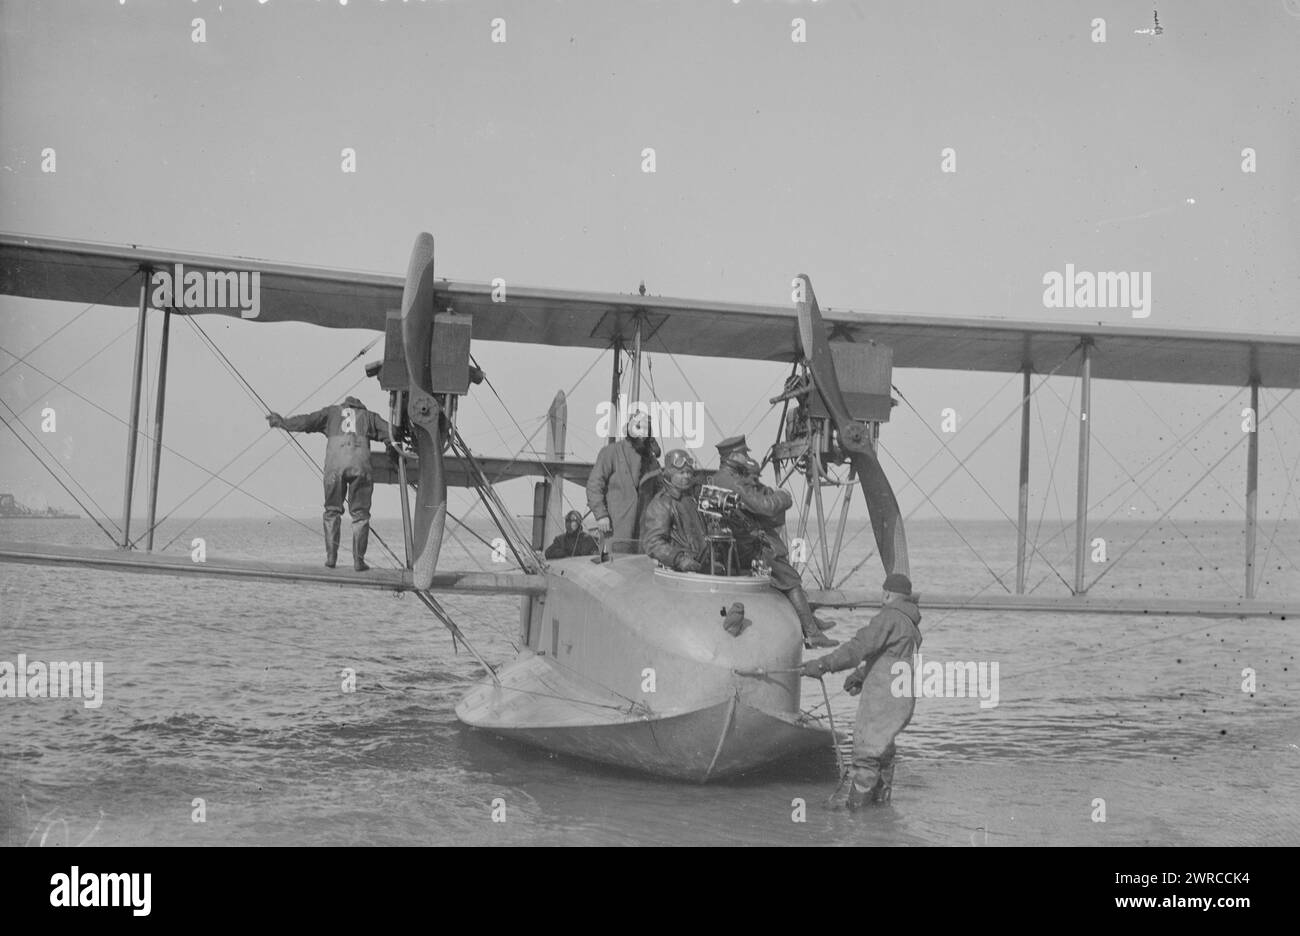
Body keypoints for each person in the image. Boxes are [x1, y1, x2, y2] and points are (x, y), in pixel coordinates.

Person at [800, 573, 922, 808]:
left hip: (882, 700)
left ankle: (858, 819)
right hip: (901, 699)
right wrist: (860, 676)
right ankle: (880, 821)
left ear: (886, 593)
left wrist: (823, 664)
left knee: (865, 755)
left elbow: (859, 648)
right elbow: (891, 658)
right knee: (883, 755)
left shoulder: (889, 617)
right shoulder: (909, 623)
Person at [709, 435, 837, 649]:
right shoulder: (733, 482)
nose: (747, 458)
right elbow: (765, 506)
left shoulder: (722, 478)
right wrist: (783, 498)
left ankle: (810, 621)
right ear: (733, 456)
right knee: (790, 578)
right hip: (747, 545)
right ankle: (812, 633)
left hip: (737, 539)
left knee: (783, 564)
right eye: (744, 454)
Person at [266, 396, 391, 571]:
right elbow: (390, 433)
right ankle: (358, 561)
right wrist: (390, 446)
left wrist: (283, 423)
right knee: (360, 515)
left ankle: (331, 558)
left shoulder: (331, 413)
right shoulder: (369, 416)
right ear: (360, 406)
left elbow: (307, 421)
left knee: (332, 511)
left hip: (334, 467)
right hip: (360, 467)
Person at [587, 412, 661, 553]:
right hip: (615, 528)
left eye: (647, 430)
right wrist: (601, 515)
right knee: (613, 569)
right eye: (638, 428)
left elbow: (660, 493)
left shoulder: (651, 462)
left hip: (643, 533)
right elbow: (594, 484)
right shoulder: (611, 452)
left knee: (640, 570)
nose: (642, 434)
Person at [640, 449, 708, 572]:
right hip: (679, 572)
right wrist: (679, 559)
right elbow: (653, 542)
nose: (686, 476)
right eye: (681, 473)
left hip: (702, 566)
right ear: (670, 475)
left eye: (688, 472)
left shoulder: (693, 499)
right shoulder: (662, 503)